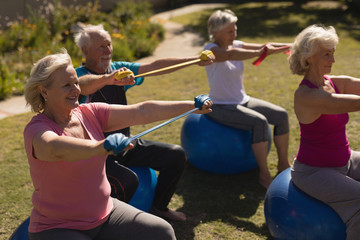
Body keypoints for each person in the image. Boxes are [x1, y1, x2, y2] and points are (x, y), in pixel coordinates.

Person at [23, 49, 212, 240]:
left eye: (76, 83)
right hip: (58, 227)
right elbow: (55, 149)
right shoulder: (37, 129)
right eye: (66, 85)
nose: (76, 90)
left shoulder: (90, 113)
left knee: (162, 232)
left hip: (105, 213)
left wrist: (191, 106)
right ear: (44, 90)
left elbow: (142, 111)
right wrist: (101, 147)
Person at [72, 23, 214, 221]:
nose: (108, 51)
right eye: (101, 47)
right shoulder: (77, 76)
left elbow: (154, 66)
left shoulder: (118, 69)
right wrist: (108, 79)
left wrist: (194, 60)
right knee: (128, 181)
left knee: (175, 156)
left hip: (124, 143)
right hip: (96, 153)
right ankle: (109, 222)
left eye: (109, 44)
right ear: (85, 50)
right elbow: (83, 86)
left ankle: (159, 207)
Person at [203, 9, 291, 189]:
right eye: (230, 31)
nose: (234, 34)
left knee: (281, 115)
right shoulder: (209, 50)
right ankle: (264, 176)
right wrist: (261, 51)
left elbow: (267, 45)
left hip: (242, 100)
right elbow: (230, 55)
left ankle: (283, 164)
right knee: (260, 122)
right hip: (219, 106)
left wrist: (295, 45)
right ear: (216, 31)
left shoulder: (237, 44)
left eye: (235, 30)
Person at [289, 24, 360, 240]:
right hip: (313, 172)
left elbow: (355, 84)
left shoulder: (331, 82)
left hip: (345, 160)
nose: (333, 59)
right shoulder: (307, 95)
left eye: (333, 53)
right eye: (326, 54)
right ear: (309, 58)